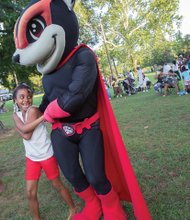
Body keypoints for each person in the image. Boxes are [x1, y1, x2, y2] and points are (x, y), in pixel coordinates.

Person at [12, 83, 76, 220]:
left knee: (57, 184)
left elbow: (26, 135)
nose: (26, 100)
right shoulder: (15, 115)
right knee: (30, 193)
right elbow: (24, 131)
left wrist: (22, 128)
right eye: (21, 97)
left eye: (28, 96)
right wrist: (45, 117)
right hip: (31, 157)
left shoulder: (34, 111)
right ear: (15, 101)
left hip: (46, 155)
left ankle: (73, 208)